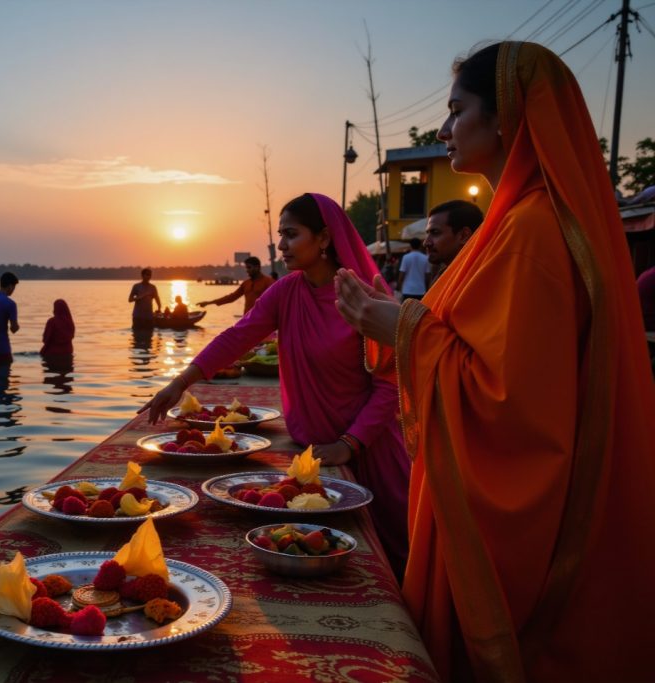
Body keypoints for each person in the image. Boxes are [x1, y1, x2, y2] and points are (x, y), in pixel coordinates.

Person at [334, 42, 655, 682]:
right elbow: (466, 336)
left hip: (516, 522)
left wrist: (401, 328)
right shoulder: (510, 223)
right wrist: (394, 318)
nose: (446, 130)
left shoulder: (534, 230)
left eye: (457, 111)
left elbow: (511, 403)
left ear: (505, 116)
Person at [142, 193, 410, 577]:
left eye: (291, 234)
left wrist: (349, 445)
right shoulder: (286, 292)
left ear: (323, 238)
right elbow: (237, 337)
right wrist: (179, 383)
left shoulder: (363, 295)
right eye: (281, 234)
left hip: (370, 451)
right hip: (310, 446)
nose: (281, 245)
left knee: (390, 559)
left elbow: (389, 384)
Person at [423, 200, 483, 286]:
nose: (426, 243)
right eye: (428, 233)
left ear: (463, 236)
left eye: (435, 232)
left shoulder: (478, 279)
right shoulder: (445, 274)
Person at [197, 256, 274, 314]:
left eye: (249, 267)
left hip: (263, 321)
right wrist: (208, 303)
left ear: (257, 267)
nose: (247, 270)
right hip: (247, 320)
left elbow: (278, 302)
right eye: (246, 268)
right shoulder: (246, 283)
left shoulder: (269, 282)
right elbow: (231, 297)